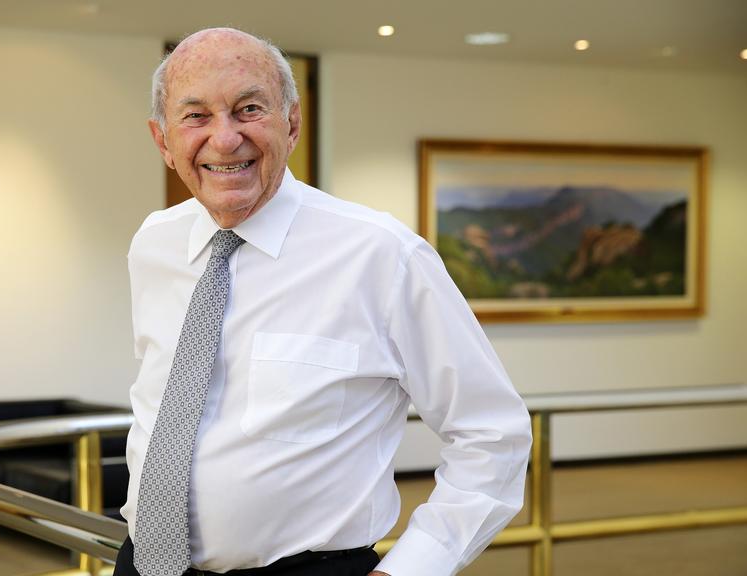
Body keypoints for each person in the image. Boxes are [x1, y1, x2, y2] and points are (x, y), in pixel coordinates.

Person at [116, 27, 532, 576]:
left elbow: (491, 432)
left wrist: (414, 567)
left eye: (248, 109)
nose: (224, 139)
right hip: (144, 563)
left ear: (291, 123)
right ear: (162, 140)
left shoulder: (382, 256)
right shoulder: (155, 243)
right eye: (195, 116)